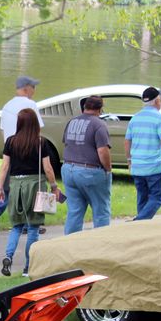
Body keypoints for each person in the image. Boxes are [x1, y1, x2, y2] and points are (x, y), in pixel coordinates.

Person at [0, 108, 61, 277]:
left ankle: (8, 256)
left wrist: (0, 188)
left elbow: (4, 167)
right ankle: (27, 267)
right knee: (33, 227)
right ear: (35, 124)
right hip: (35, 185)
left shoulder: (10, 142)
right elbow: (47, 168)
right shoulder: (41, 143)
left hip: (16, 184)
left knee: (16, 226)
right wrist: (54, 186)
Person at [0, 76, 45, 234]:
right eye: (33, 87)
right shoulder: (30, 105)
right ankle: (27, 224)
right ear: (27, 88)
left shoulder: (7, 105)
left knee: (9, 189)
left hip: (11, 151)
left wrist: (9, 148)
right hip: (27, 153)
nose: (34, 91)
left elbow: (3, 131)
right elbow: (37, 129)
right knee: (29, 188)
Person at [124, 86, 161, 220]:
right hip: (154, 166)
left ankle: (141, 228)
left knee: (142, 198)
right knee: (158, 196)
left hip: (137, 166)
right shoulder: (160, 118)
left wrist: (129, 160)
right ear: (157, 101)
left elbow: (127, 142)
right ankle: (139, 222)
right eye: (160, 99)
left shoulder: (135, 118)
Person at [62, 95, 113, 234]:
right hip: (90, 172)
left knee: (74, 211)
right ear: (100, 109)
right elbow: (103, 151)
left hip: (68, 169)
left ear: (84, 107)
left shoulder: (71, 122)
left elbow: (67, 144)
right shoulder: (99, 125)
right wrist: (108, 169)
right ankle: (101, 244)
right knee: (101, 210)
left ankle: (69, 245)